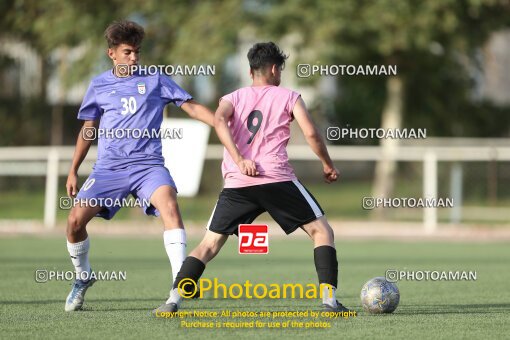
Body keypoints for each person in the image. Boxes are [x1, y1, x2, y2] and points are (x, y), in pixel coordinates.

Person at [155, 42, 351, 313]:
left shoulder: (231, 98)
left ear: (250, 72)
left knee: (209, 244)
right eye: (279, 69)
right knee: (322, 231)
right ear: (274, 69)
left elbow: (219, 122)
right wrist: (327, 164)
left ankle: (173, 299)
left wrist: (239, 160)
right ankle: (329, 300)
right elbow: (311, 134)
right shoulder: (289, 97)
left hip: (238, 183)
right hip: (277, 179)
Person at [64, 20, 214, 312]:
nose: (134, 58)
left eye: (137, 52)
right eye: (127, 52)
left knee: (169, 204)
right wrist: (73, 170)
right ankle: (83, 278)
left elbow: (192, 106)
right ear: (112, 54)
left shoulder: (156, 79)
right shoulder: (98, 85)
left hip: (148, 166)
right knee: (73, 223)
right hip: (109, 169)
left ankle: (179, 281)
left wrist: (222, 122)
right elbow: (87, 130)